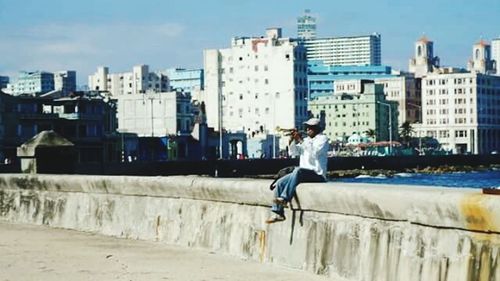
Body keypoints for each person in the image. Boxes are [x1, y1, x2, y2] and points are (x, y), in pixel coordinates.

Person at [265, 117, 329, 224]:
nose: (307, 129)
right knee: (280, 183)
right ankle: (278, 212)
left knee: (298, 170)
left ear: (317, 129)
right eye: (307, 127)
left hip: (317, 174)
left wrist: (300, 140)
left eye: (310, 127)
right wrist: (292, 142)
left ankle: (284, 198)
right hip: (303, 173)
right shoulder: (306, 140)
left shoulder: (323, 139)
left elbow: (314, 153)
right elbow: (293, 153)